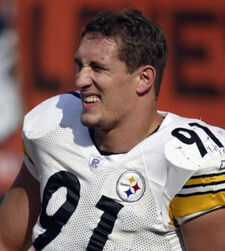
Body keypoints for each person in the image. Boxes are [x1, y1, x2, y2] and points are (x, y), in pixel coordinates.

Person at [0, 8, 224, 251]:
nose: (81, 80)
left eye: (97, 68)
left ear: (144, 79)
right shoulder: (55, 126)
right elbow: (6, 242)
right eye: (80, 65)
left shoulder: (188, 158)